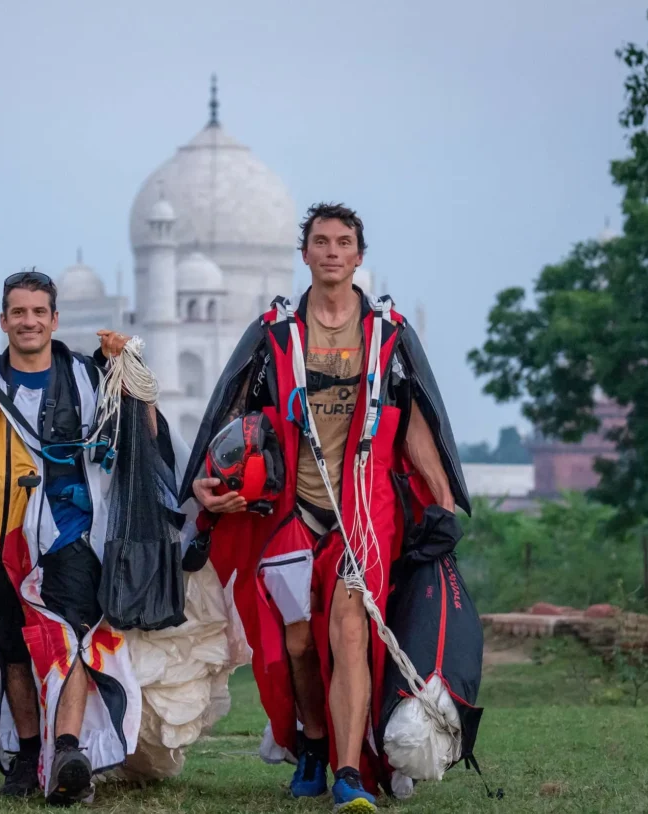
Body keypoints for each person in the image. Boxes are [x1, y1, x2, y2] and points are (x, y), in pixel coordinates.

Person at [180, 204, 470, 812]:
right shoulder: (276, 333)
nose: (333, 251)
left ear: (359, 257)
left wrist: (441, 495)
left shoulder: (387, 333)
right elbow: (236, 413)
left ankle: (346, 773)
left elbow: (414, 418)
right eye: (321, 242)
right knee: (298, 645)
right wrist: (207, 481)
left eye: (344, 242)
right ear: (304, 253)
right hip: (295, 507)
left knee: (348, 627)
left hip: (365, 508)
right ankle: (313, 741)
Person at [0, 268, 168, 806]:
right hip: (2, 538)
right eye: (19, 312)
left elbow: (146, 436)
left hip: (73, 535)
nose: (29, 321)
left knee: (71, 641)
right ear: (4, 320)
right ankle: (27, 755)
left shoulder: (90, 375)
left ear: (55, 320)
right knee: (14, 652)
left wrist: (132, 371)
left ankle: (66, 753)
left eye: (39, 312)